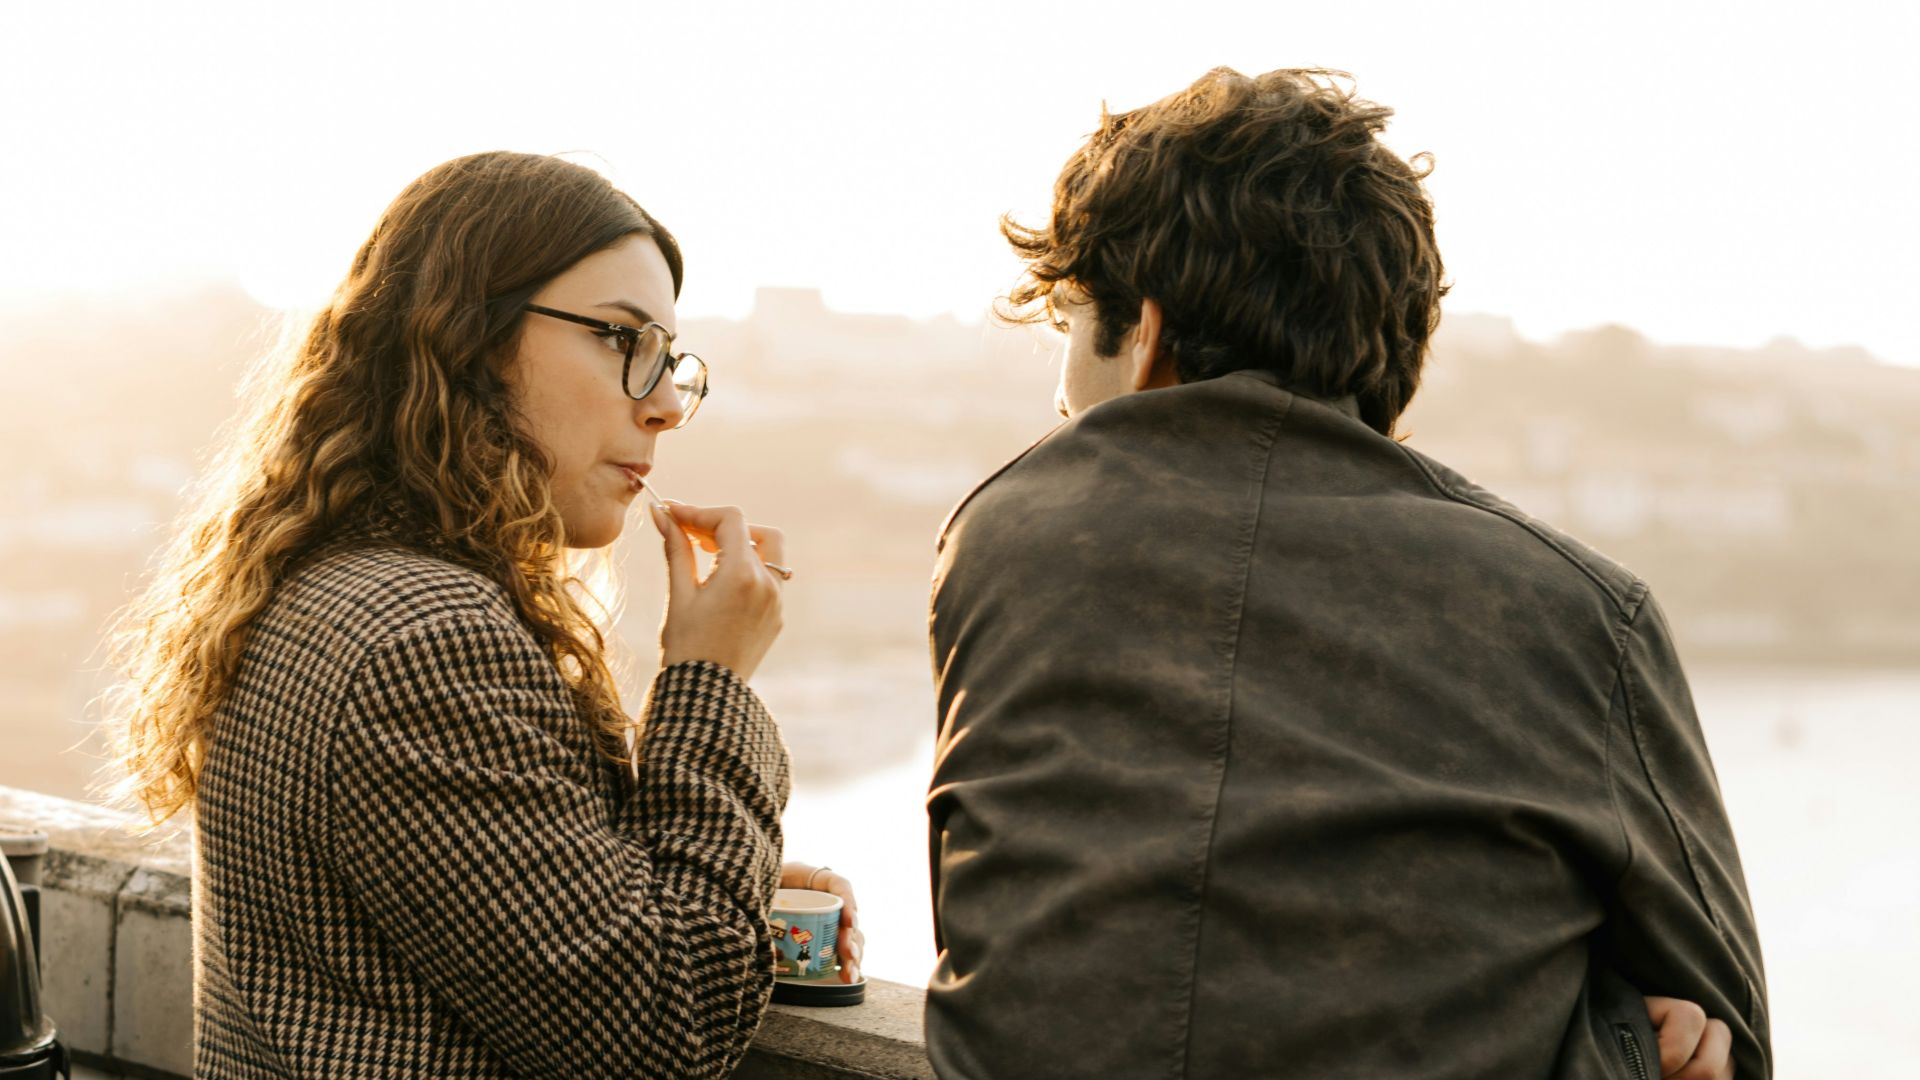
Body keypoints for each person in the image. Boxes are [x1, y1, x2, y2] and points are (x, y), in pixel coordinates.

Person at [927, 69, 1767, 1078]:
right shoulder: (1581, 612)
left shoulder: (1002, 534)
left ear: (1141, 335)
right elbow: (1728, 1035)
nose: (1063, 405)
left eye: (1067, 330)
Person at [100, 151, 858, 1079]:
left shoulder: (333, 582)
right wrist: (712, 680)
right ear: (469, 341)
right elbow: (665, 1031)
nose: (665, 405)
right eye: (623, 340)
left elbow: (480, 905)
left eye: (668, 360)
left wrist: (718, 877)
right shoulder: (429, 639)